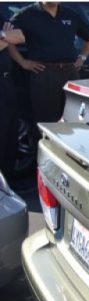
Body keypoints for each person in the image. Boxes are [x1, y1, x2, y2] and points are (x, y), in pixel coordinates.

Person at [8, 2, 89, 128]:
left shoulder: (70, 14)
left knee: (74, 119)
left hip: (70, 72)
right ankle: (44, 146)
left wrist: (82, 58)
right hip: (44, 73)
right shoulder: (26, 15)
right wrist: (22, 62)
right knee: (46, 122)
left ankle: (68, 147)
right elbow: (6, 38)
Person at [0, 15, 25, 181]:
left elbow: (20, 36)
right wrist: (6, 37)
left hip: (6, 81)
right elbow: (11, 38)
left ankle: (7, 183)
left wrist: (3, 37)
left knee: (10, 132)